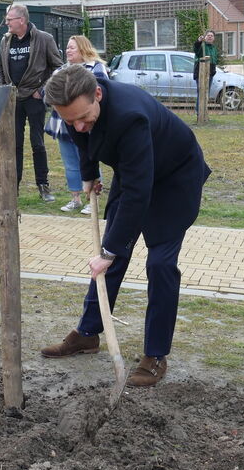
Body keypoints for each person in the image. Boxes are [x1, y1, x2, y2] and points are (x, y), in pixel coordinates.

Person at [41, 65, 210, 388]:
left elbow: (137, 193)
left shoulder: (130, 117)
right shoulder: (73, 106)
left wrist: (110, 251)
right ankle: (88, 333)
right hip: (134, 172)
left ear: (98, 94)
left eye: (83, 117)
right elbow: (81, 137)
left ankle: (155, 355)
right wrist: (89, 173)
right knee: (110, 258)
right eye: (70, 120)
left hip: (174, 178)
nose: (78, 125)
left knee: (159, 264)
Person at [0, 3, 62, 202]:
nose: (6, 23)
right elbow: (0, 68)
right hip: (13, 99)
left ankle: (43, 186)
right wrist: (3, 89)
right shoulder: (5, 40)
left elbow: (58, 68)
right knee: (14, 145)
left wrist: (42, 90)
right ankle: (13, 187)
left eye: (10, 19)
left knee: (37, 143)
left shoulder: (44, 38)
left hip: (34, 98)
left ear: (22, 20)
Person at [52, 35, 107, 215]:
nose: (68, 51)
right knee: (70, 163)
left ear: (83, 49)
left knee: (90, 157)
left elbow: (99, 90)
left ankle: (93, 200)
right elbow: (48, 92)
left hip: (87, 123)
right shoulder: (61, 70)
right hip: (64, 125)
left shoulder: (95, 68)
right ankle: (75, 198)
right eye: (67, 47)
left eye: (72, 48)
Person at [192, 31, 219, 114]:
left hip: (210, 74)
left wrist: (213, 71)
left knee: (206, 93)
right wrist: (198, 41)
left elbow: (214, 60)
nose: (210, 37)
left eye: (211, 35)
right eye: (208, 35)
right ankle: (199, 112)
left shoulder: (213, 48)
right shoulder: (202, 46)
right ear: (205, 37)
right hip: (201, 72)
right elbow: (196, 49)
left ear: (214, 38)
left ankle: (204, 112)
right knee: (201, 92)